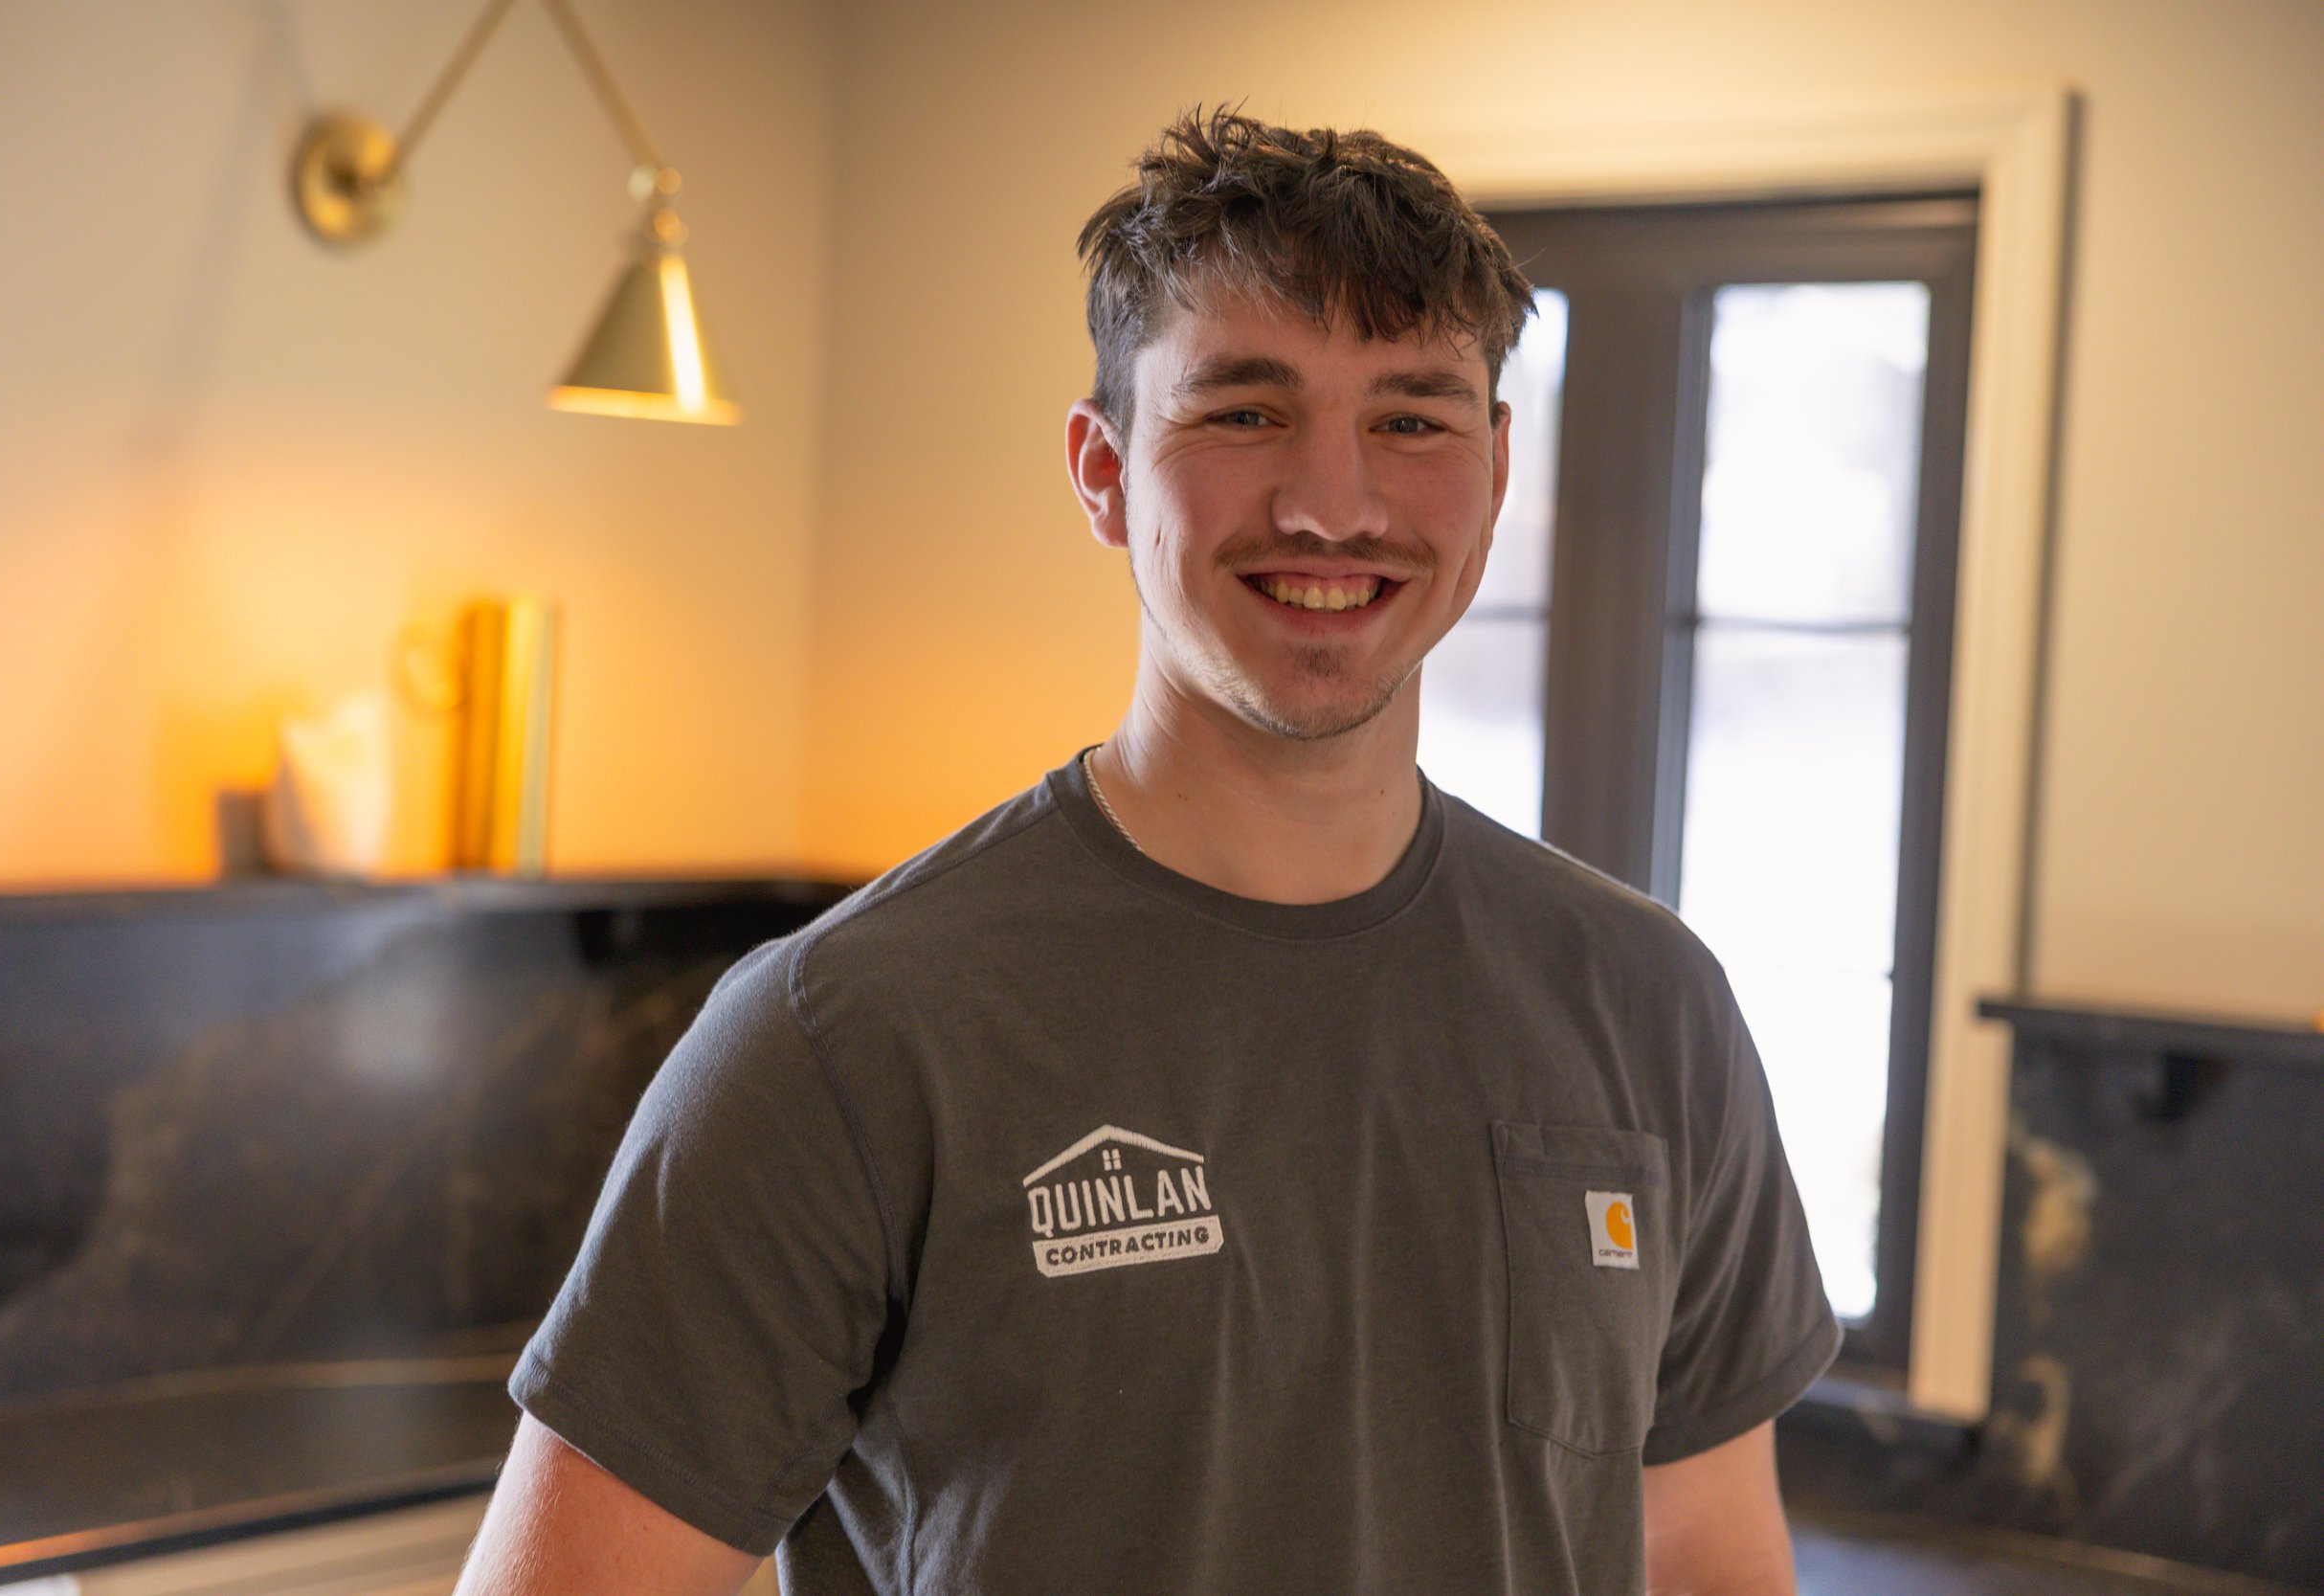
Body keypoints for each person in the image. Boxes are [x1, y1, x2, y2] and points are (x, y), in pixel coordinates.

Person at [456, 107, 1842, 1596]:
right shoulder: (845, 1040)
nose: (1333, 504)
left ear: (1496, 470)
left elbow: (1710, 1561)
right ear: (1102, 470)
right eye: (1244, 414)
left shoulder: (1648, 1005)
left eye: (1412, 421)